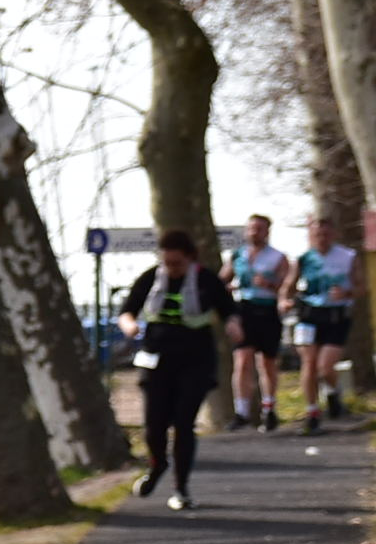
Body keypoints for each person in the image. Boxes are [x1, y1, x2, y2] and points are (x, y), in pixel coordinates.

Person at [117, 230, 240, 509]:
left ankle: (180, 488)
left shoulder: (206, 280)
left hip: (195, 361)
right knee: (154, 425)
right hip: (156, 359)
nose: (171, 269)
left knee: (184, 423)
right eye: (167, 263)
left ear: (190, 258)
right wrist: (130, 326)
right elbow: (127, 311)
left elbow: (229, 310)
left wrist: (233, 325)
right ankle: (157, 464)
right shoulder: (151, 278)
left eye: (177, 264)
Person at [225, 214, 292, 430]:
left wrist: (269, 284)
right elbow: (222, 279)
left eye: (259, 229)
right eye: (251, 228)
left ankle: (269, 408)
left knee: (267, 362)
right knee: (242, 360)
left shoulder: (278, 257)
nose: (254, 232)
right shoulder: (237, 255)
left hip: (268, 310)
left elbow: (287, 286)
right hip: (244, 310)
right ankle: (242, 411)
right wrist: (225, 290)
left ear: (267, 232)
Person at [294, 215, 358, 434]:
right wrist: (284, 300)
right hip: (309, 315)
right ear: (311, 235)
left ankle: (333, 391)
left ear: (334, 234)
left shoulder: (348, 256)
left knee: (325, 366)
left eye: (326, 234)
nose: (322, 238)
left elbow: (362, 287)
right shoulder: (303, 258)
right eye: (317, 234)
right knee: (309, 363)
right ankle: (312, 412)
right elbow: (288, 285)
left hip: (336, 316)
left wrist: (347, 293)